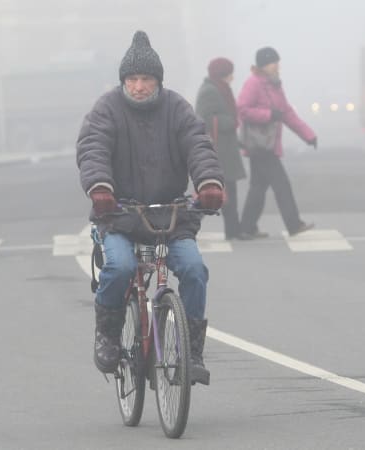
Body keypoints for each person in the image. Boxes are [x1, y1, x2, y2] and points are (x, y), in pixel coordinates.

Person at [77, 31, 225, 385]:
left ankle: (191, 351)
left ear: (158, 81)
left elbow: (198, 144)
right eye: (133, 79)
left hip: (171, 214)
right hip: (118, 214)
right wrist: (100, 189)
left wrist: (208, 184)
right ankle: (108, 334)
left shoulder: (176, 108)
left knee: (193, 268)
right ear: (123, 81)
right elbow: (93, 148)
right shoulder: (106, 109)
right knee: (121, 266)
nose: (139, 86)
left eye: (146, 79)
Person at [236, 47, 316, 240]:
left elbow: (287, 113)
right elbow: (242, 109)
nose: (277, 66)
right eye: (274, 62)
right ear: (264, 65)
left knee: (258, 187)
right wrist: (269, 115)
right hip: (260, 144)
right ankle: (294, 224)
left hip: (268, 144)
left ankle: (246, 228)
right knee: (281, 184)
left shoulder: (274, 85)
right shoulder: (253, 83)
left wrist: (308, 135)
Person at [195, 57, 246, 240]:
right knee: (218, 193)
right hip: (218, 151)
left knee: (227, 192)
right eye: (230, 73)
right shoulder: (210, 91)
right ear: (222, 74)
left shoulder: (220, 89)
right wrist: (229, 122)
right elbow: (203, 118)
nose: (232, 77)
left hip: (225, 149)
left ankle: (234, 230)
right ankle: (233, 230)